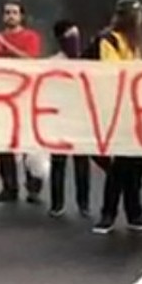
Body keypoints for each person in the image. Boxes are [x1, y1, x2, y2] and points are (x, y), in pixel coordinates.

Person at [92, 0, 142, 235]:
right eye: (137, 13)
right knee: (121, 166)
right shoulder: (109, 40)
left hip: (134, 111)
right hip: (115, 111)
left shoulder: (133, 43)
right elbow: (112, 74)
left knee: (136, 163)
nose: (141, 18)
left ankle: (132, 212)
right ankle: (111, 214)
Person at [0, 0, 44, 205]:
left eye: (14, 12)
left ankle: (33, 187)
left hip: (25, 96)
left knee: (28, 143)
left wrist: (5, 45)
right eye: (7, 12)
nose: (10, 16)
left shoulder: (31, 37)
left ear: (21, 16)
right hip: (0, 97)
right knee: (2, 144)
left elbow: (30, 61)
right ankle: (9, 186)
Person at [48, 19, 93, 219]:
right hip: (59, 119)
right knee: (58, 163)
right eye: (70, 37)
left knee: (82, 164)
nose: (75, 42)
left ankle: (84, 204)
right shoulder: (53, 63)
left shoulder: (86, 61)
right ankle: (57, 204)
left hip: (81, 119)